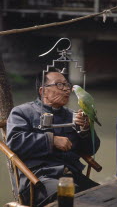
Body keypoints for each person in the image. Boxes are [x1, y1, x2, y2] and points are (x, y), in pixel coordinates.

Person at [6, 70, 100, 207]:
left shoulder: (72, 116)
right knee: (75, 199)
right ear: (43, 91)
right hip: (39, 180)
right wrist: (52, 140)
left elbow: (91, 149)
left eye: (67, 85)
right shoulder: (22, 112)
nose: (67, 89)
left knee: (108, 195)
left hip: (71, 175)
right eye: (60, 85)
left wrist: (85, 129)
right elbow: (15, 142)